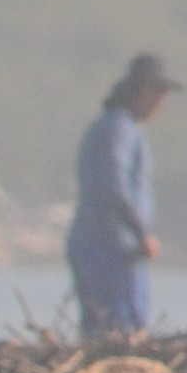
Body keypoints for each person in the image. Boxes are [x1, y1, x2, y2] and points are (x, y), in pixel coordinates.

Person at [72, 52, 178, 339]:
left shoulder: (117, 128)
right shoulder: (118, 129)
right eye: (159, 94)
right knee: (119, 329)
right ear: (141, 90)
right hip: (111, 246)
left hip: (105, 245)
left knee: (105, 328)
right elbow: (113, 186)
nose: (161, 103)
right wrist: (141, 233)